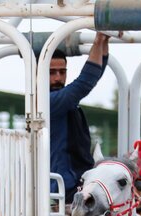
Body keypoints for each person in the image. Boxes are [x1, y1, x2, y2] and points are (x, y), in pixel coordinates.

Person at [49, 32, 110, 201]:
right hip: (63, 188)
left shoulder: (64, 99)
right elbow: (86, 81)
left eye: (62, 72)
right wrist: (98, 40)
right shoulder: (49, 101)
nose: (58, 78)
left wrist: (104, 41)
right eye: (52, 72)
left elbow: (95, 74)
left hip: (77, 181)